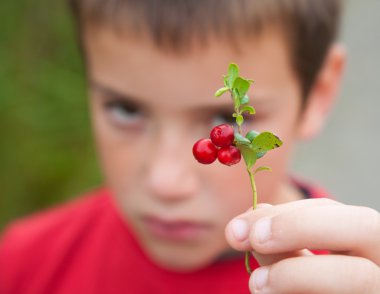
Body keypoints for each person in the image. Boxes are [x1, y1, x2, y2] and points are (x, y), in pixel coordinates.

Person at [1, 0, 379, 293]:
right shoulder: (23, 265)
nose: (166, 182)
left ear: (318, 93)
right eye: (126, 109)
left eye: (228, 121)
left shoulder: (347, 277)